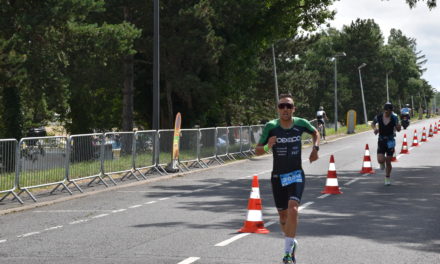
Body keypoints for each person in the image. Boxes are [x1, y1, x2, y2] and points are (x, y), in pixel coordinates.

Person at [256, 93, 320, 264]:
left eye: (288, 106)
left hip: (296, 174)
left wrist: (315, 149)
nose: (285, 109)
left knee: (293, 209)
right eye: (282, 106)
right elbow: (257, 150)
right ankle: (291, 242)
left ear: (293, 109)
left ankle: (287, 253)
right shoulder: (271, 126)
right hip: (277, 177)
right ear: (277, 109)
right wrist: (268, 145)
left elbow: (315, 133)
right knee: (283, 218)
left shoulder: (300, 123)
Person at [371, 102, 401, 186]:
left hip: (390, 141)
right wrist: (375, 129)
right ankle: (381, 163)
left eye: (391, 111)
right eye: (388, 111)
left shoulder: (394, 117)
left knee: (388, 161)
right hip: (381, 140)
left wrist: (398, 127)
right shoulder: (379, 117)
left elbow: (398, 129)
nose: (389, 113)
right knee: (380, 160)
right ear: (384, 110)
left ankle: (387, 177)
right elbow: (373, 124)